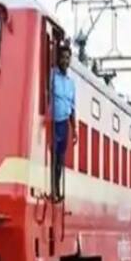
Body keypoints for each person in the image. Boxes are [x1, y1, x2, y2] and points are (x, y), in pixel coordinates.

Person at [51, 44, 77, 200]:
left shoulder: (71, 83)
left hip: (64, 123)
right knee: (54, 156)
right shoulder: (52, 76)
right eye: (62, 58)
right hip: (53, 122)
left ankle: (57, 187)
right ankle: (53, 189)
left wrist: (74, 129)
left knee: (60, 158)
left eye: (67, 58)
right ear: (58, 59)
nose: (65, 61)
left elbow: (73, 106)